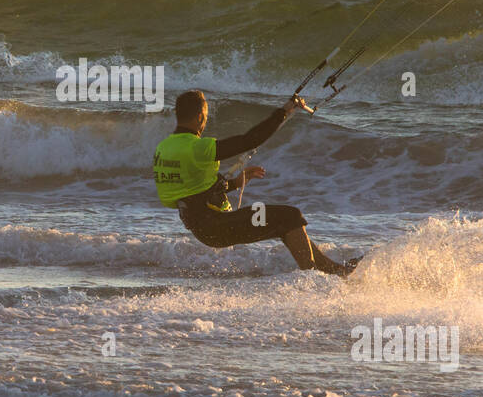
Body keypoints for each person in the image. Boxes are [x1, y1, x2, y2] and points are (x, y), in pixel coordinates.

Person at [152, 89, 358, 276]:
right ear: (200, 117)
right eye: (205, 117)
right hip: (219, 227)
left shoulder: (163, 149)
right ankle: (312, 281)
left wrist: (235, 183)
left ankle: (335, 271)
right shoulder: (197, 147)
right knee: (291, 216)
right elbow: (249, 140)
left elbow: (189, 192)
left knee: (282, 223)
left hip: (204, 229)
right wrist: (284, 112)